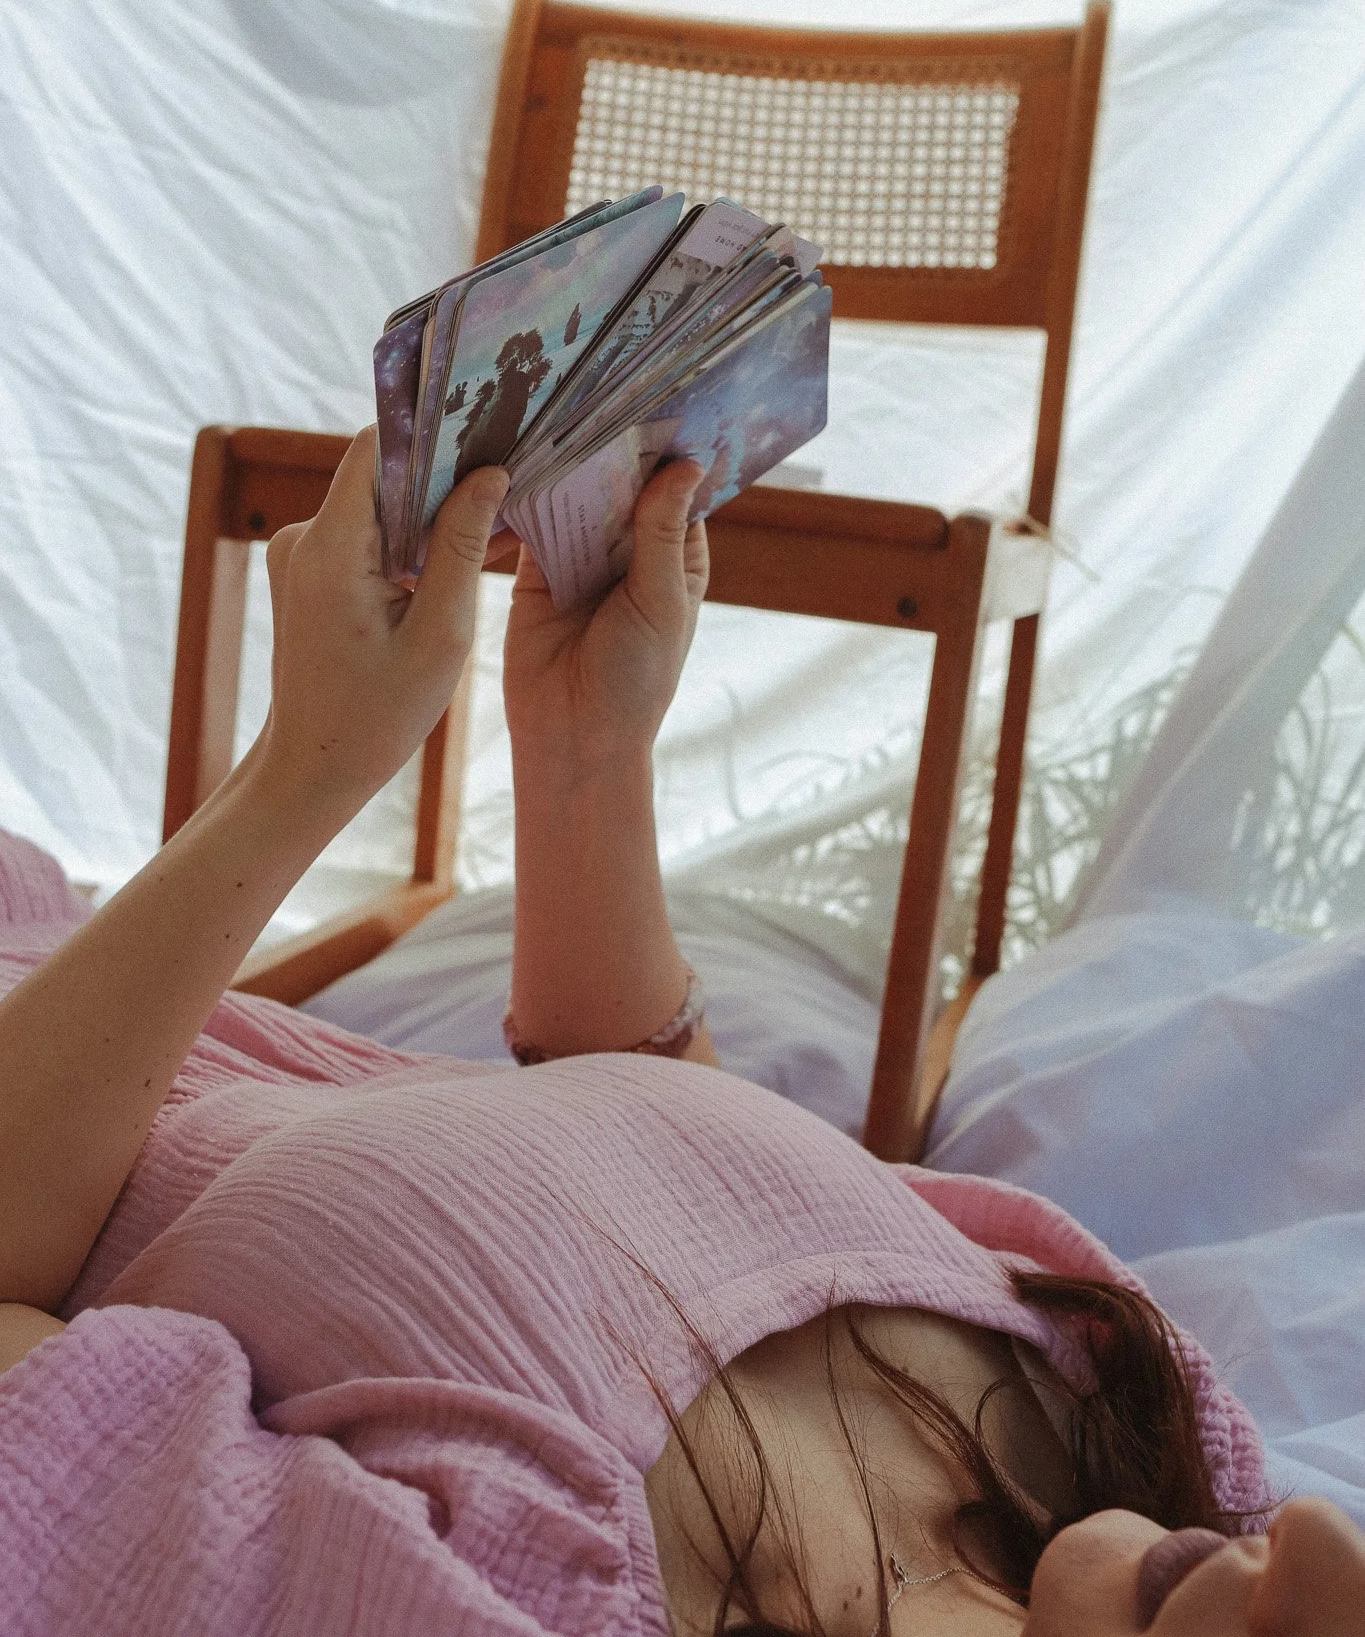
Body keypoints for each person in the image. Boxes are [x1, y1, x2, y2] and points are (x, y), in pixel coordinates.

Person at [0, 431, 1362, 1637]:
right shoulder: (1117, 1431)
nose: (1327, 1543)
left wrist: (301, 773)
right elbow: (692, 1181)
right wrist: (587, 747)